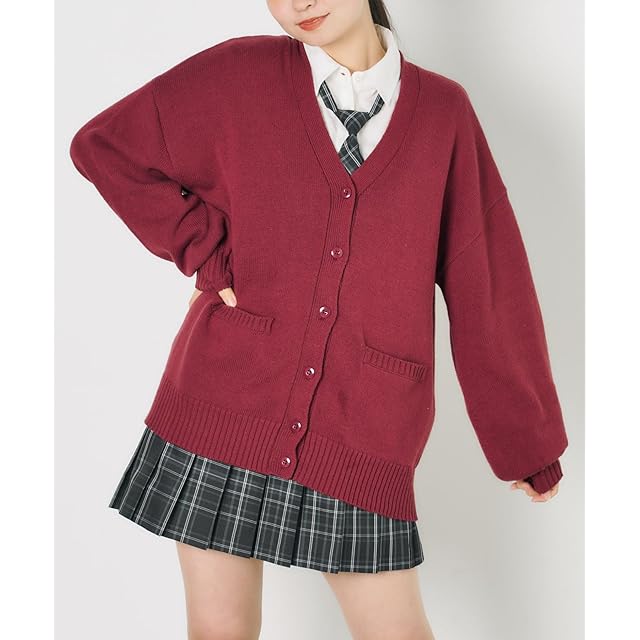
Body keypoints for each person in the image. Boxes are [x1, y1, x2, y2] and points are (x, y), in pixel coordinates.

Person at [69, 1, 569, 638]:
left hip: (365, 431)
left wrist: (525, 439)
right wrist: (209, 255)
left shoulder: (443, 115)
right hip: (221, 406)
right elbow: (105, 147)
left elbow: (487, 282)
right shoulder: (239, 74)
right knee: (220, 630)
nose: (300, 2)